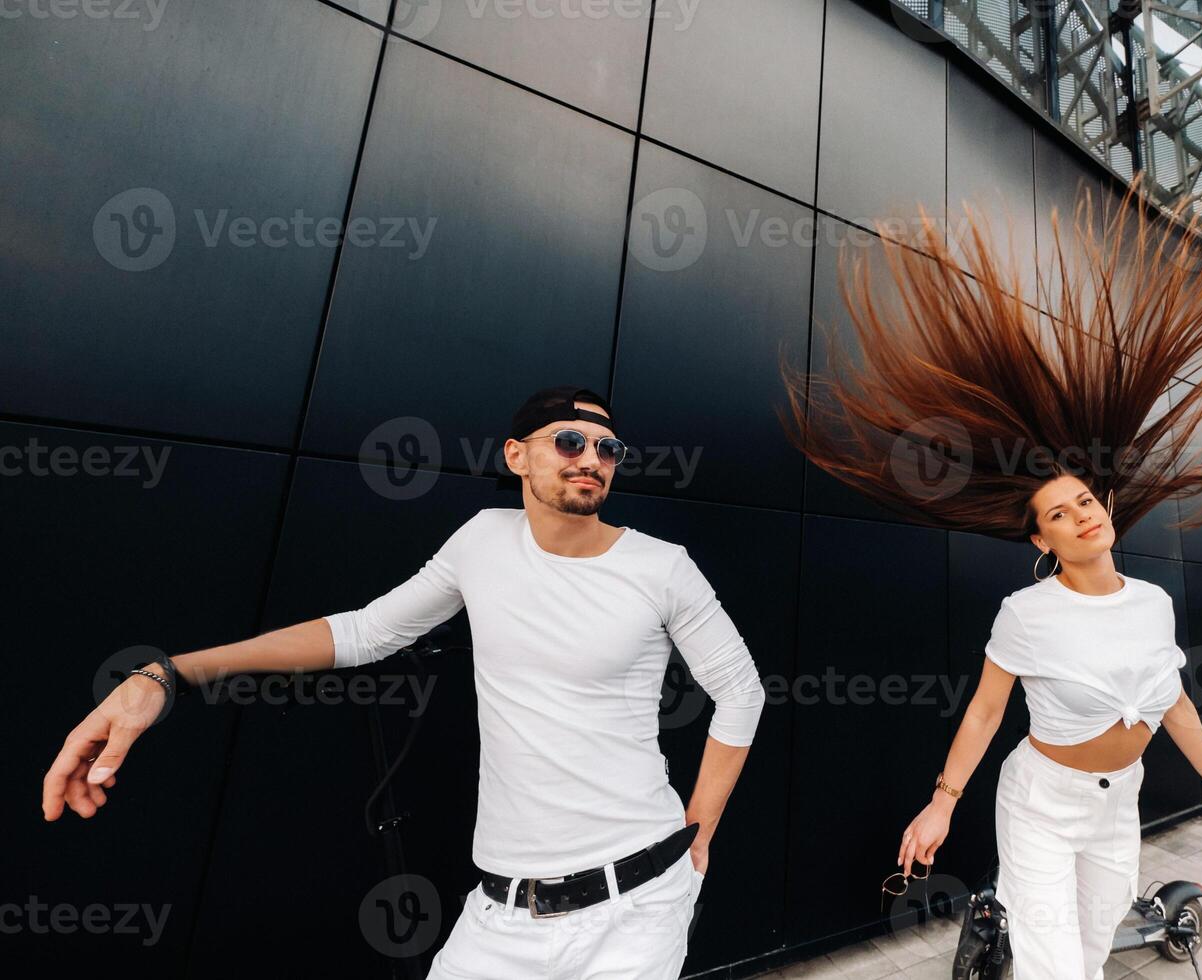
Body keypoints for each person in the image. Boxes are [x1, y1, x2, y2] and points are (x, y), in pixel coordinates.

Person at [41, 384, 766, 980]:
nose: (592, 459)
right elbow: (363, 632)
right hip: (500, 915)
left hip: (634, 907)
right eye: (569, 441)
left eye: (608, 449)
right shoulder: (483, 540)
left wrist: (700, 829)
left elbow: (741, 688)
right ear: (517, 455)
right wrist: (168, 673)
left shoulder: (660, 566)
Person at [779, 171, 1202, 978]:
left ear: (1106, 505)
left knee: (1091, 949)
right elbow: (984, 713)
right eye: (1059, 512)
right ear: (1042, 541)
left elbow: (1176, 704)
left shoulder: (1152, 604)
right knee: (1053, 967)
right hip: (1041, 805)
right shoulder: (1026, 611)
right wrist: (943, 802)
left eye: (1086, 499)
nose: (1081, 514)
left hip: (1120, 805)